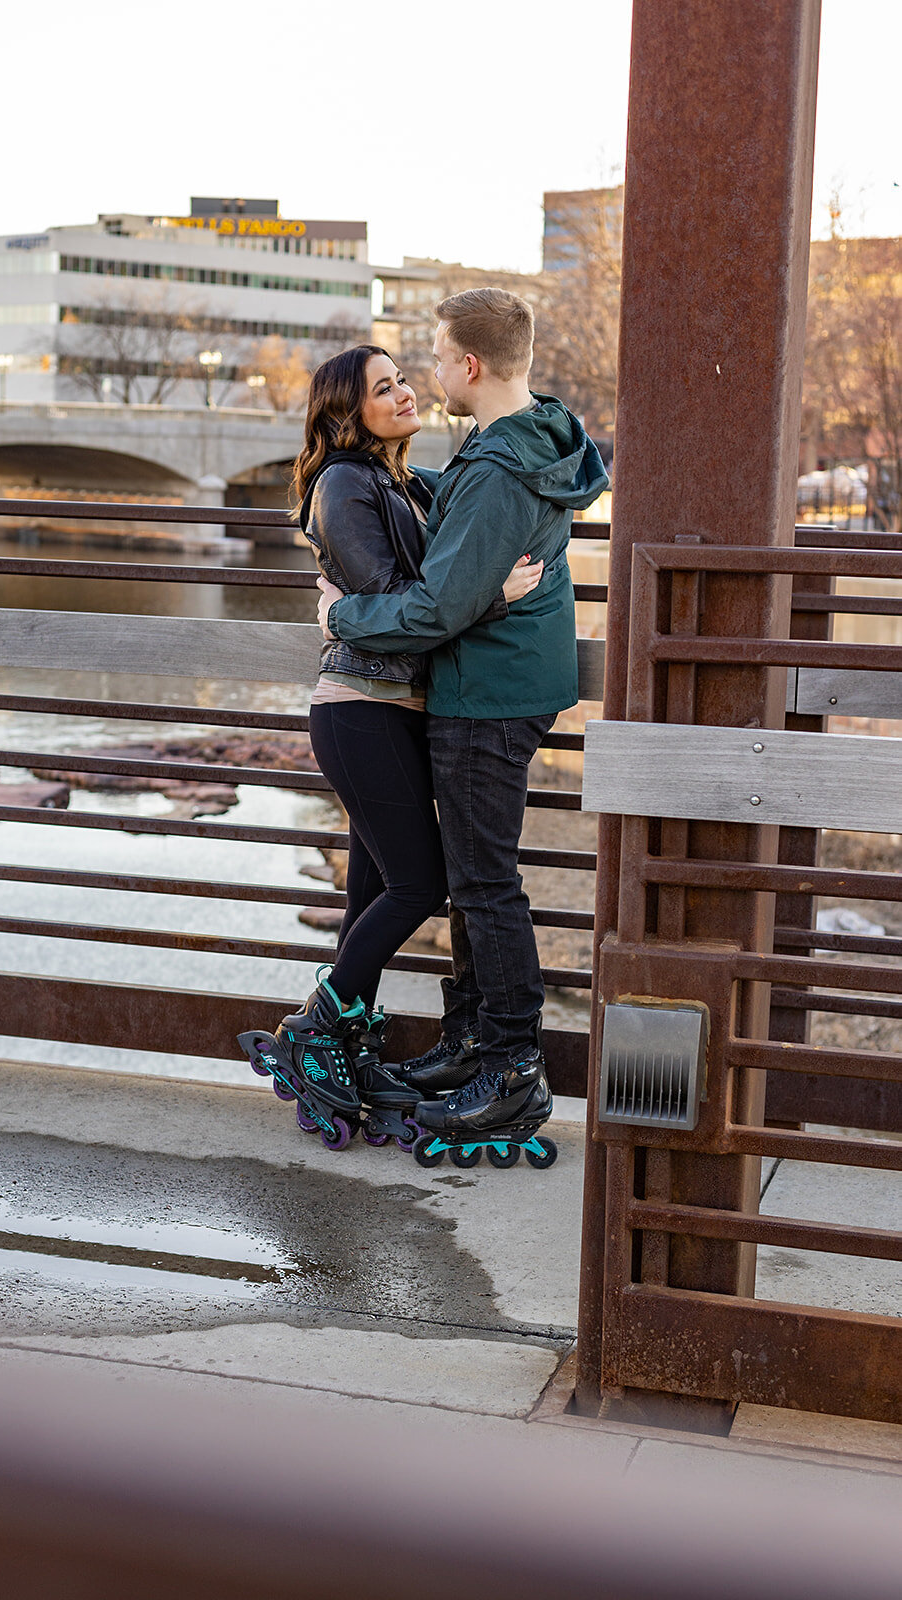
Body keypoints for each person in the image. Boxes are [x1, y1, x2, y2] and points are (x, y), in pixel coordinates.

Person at [317, 289, 609, 1153]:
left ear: (469, 367)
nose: (429, 375)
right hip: (504, 681)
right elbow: (465, 538)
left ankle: (511, 1067)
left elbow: (433, 609)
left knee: (483, 883)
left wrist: (340, 621)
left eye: (436, 359)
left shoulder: (493, 467)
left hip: (485, 693)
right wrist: (400, 484)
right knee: (478, 876)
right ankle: (473, 1041)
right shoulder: (522, 437)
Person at [238, 343, 543, 1150]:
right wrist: (488, 598)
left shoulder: (404, 482)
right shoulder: (343, 482)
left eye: (404, 378)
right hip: (360, 709)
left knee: (370, 888)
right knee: (422, 882)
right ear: (349, 410)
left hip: (398, 709)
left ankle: (341, 1042)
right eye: (383, 388)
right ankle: (312, 1030)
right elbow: (393, 600)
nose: (404, 392)